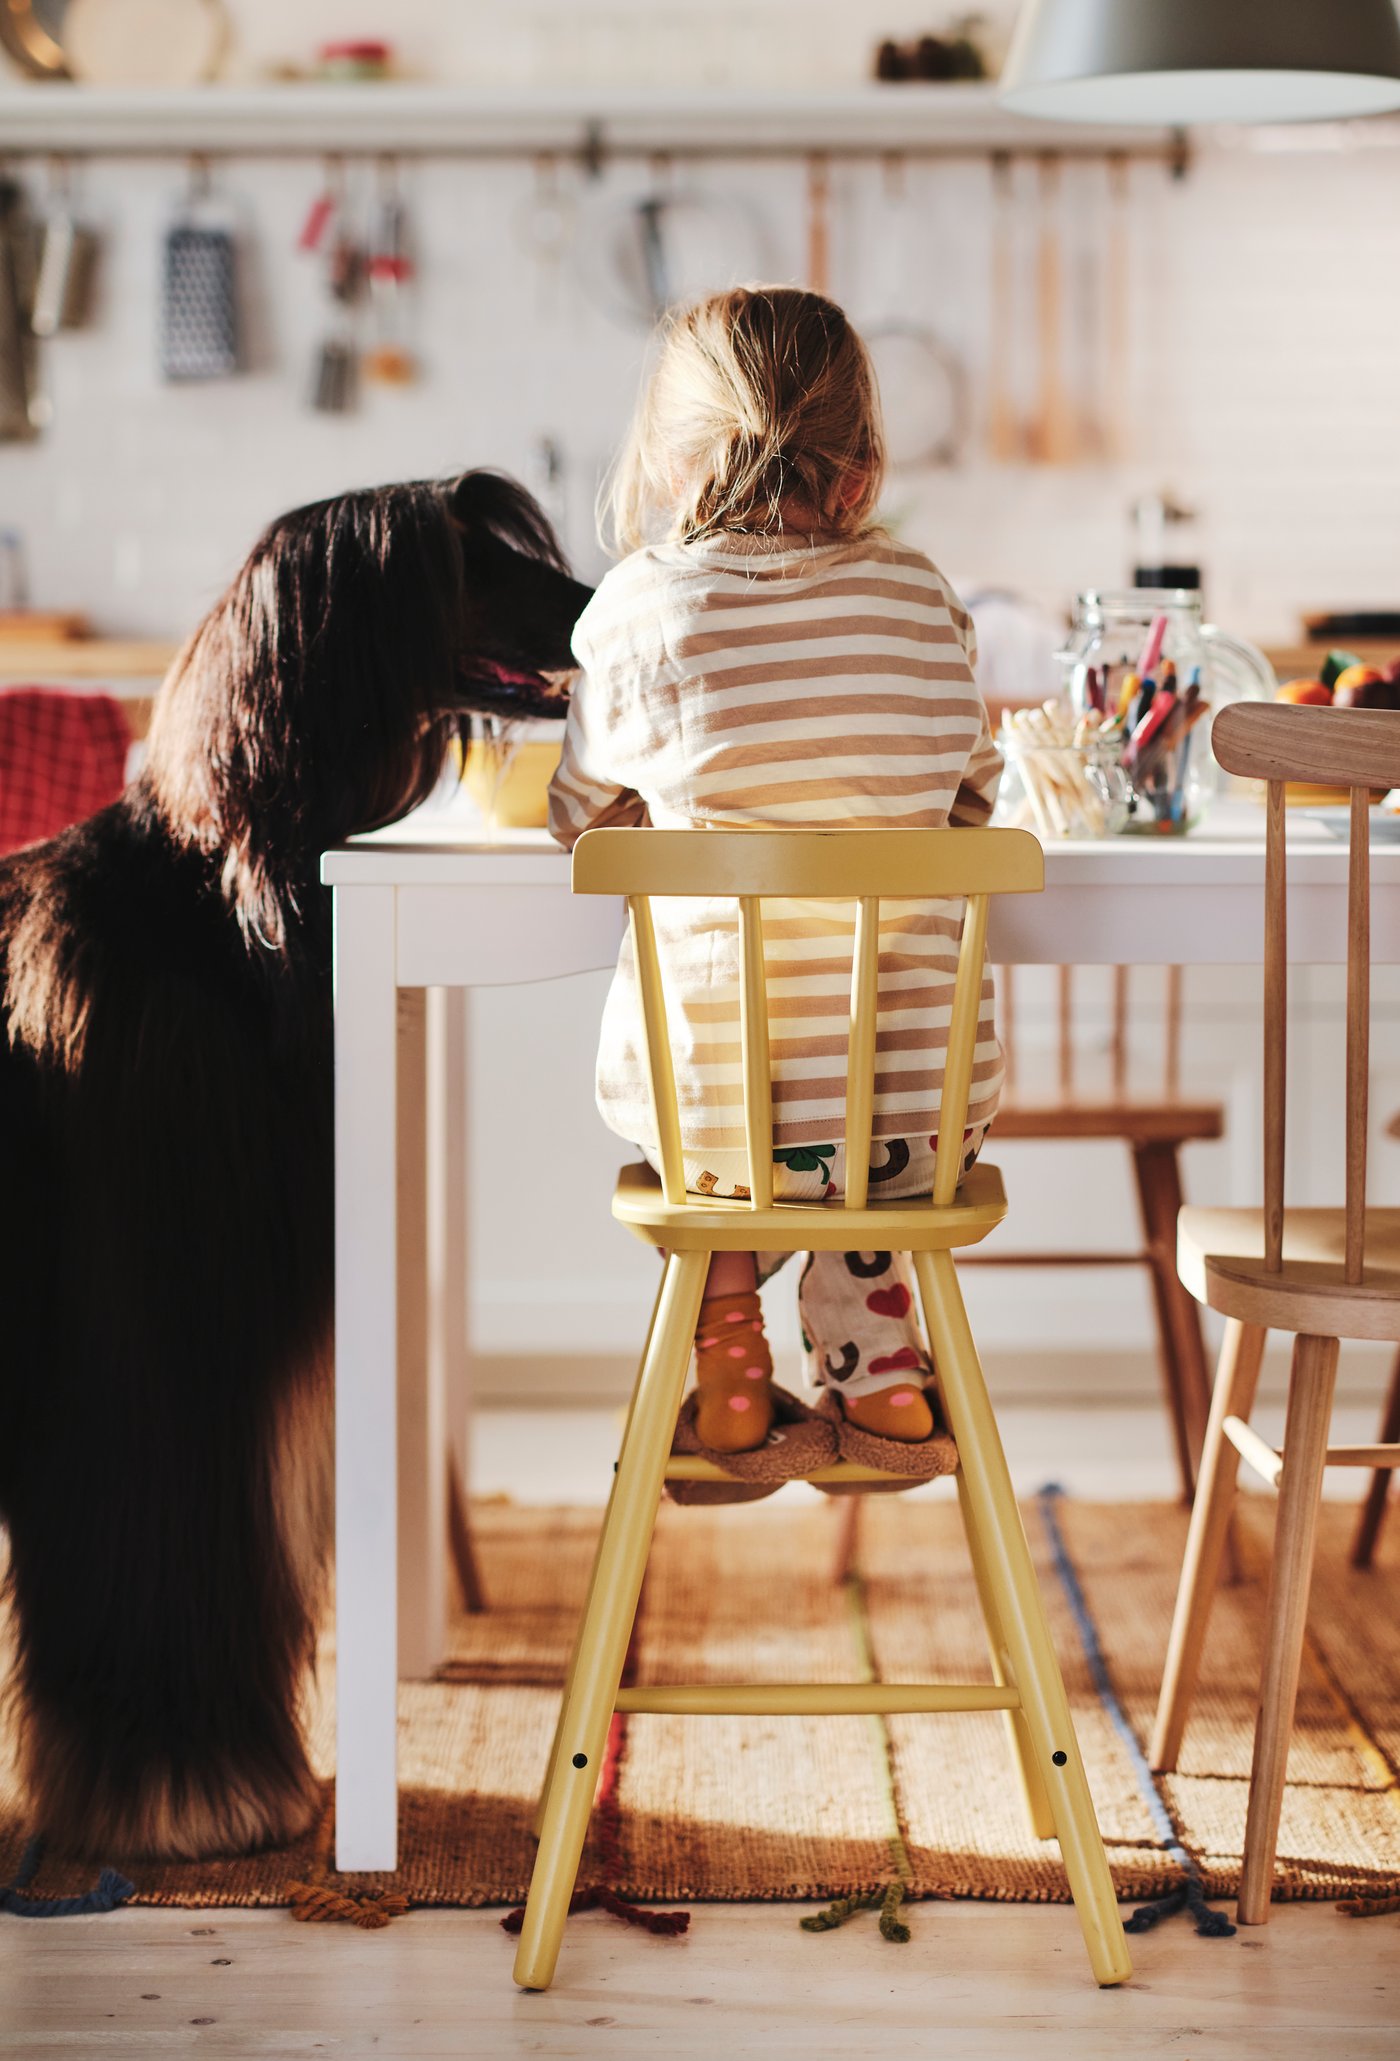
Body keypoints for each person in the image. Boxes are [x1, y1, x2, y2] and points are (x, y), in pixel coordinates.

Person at [549, 285, 1001, 1464]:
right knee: (850, 1115)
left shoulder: (638, 608)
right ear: (860, 462)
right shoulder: (919, 598)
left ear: (670, 456)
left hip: (717, 1132)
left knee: (735, 1094)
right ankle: (878, 1356)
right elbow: (976, 796)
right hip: (913, 1124)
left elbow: (581, 822)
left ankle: (729, 1330)